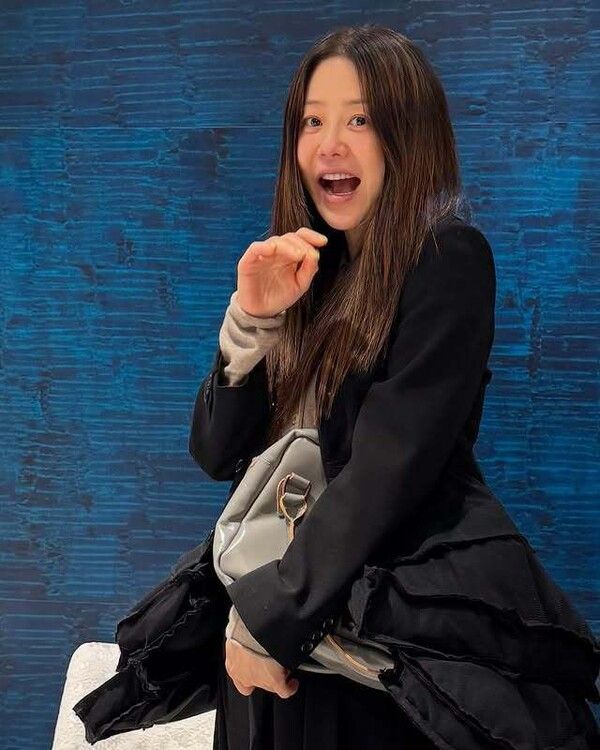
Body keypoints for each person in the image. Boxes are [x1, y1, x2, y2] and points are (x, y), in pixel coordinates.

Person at [188, 23, 600, 750]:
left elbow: (389, 468)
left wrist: (264, 621)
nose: (329, 145)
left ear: (407, 134)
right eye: (312, 121)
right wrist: (252, 319)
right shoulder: (302, 271)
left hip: (367, 629)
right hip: (280, 624)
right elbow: (218, 453)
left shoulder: (446, 258)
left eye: (360, 119)